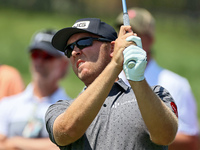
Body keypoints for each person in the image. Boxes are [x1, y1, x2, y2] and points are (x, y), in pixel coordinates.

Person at [45, 18, 178, 150]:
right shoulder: (61, 108)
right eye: (69, 49)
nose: (75, 52)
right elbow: (66, 131)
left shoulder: (155, 94)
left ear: (112, 48)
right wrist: (115, 64)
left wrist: (137, 79)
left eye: (84, 42)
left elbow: (165, 136)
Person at [115, 7, 199, 150]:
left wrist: (135, 136)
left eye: (135, 33)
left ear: (150, 39)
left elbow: (191, 141)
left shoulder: (176, 84)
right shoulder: (107, 81)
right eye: (123, 32)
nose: (127, 39)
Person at [0, 29, 71, 150]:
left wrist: (16, 142)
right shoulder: (7, 105)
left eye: (47, 56)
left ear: (63, 64)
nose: (39, 61)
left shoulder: (70, 109)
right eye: (35, 54)